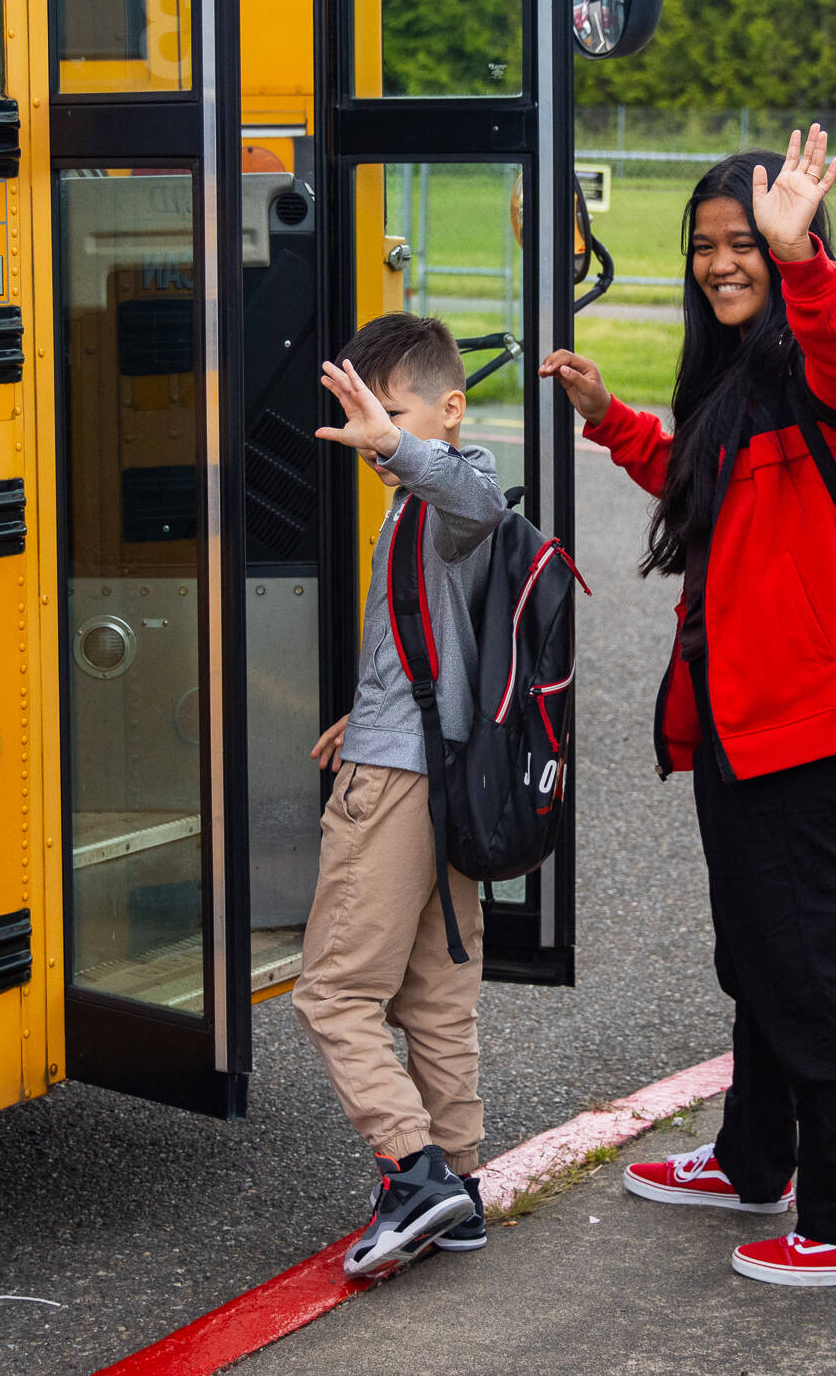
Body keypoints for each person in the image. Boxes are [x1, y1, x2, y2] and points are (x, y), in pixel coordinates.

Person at [540, 125, 836, 1288]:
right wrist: (607, 415)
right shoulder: (740, 384)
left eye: (744, 247)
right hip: (739, 716)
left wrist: (802, 256)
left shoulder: (832, 368)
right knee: (764, 957)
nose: (724, 264)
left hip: (809, 719)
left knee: (814, 972)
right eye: (707, 247)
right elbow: (696, 480)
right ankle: (752, 1156)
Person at [292, 314, 508, 1279]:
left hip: (396, 788)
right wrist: (364, 708)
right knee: (433, 997)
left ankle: (413, 1171)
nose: (376, 429)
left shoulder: (452, 490)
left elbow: (477, 502)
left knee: (334, 991)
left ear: (448, 410)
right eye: (366, 411)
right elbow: (427, 644)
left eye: (396, 409)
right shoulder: (418, 506)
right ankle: (459, 1191)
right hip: (436, 769)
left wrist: (395, 445)